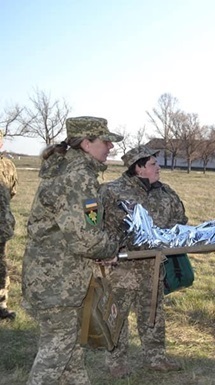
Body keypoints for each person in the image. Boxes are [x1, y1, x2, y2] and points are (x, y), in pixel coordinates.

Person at [21, 116, 123, 385]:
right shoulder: (78, 178)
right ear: (87, 144)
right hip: (58, 283)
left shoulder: (71, 171)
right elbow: (85, 238)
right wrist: (110, 247)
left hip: (55, 278)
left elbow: (84, 225)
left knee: (70, 349)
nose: (111, 146)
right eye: (105, 141)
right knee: (56, 353)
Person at [100, 145, 188, 378]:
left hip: (154, 265)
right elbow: (96, 226)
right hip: (121, 267)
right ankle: (116, 362)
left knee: (153, 312)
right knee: (117, 315)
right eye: (152, 164)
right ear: (138, 168)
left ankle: (156, 358)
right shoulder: (111, 191)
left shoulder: (165, 192)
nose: (158, 167)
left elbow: (180, 222)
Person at [0, 130, 18, 320]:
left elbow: (12, 191)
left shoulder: (8, 166)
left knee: (1, 266)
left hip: (1, 226)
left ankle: (1, 304)